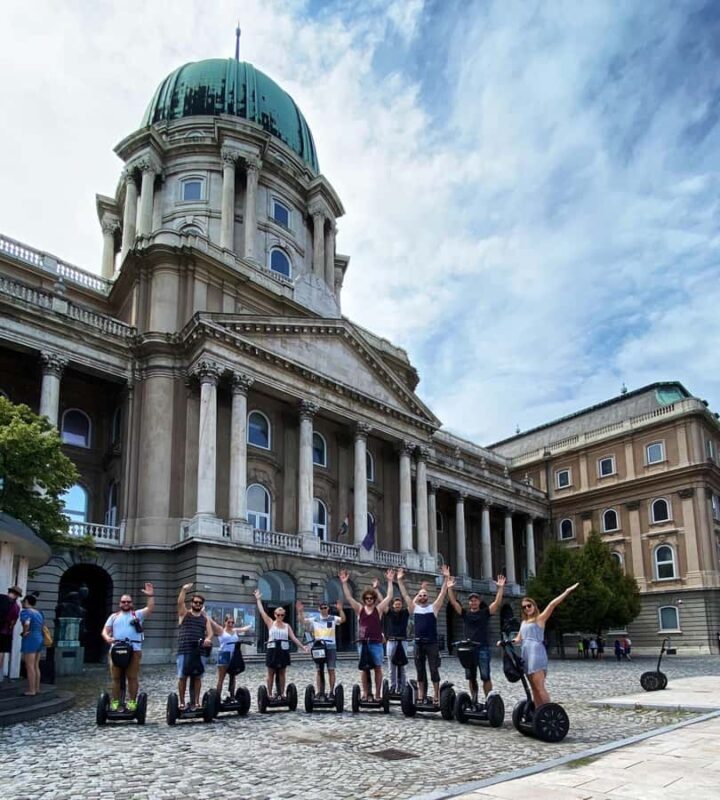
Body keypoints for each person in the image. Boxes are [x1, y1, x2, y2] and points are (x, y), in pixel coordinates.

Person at [513, 583, 579, 707]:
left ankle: (548, 711)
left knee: (539, 686)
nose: (527, 608)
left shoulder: (540, 619)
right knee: (533, 688)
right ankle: (539, 713)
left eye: (529, 605)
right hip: (526, 654)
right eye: (524, 607)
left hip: (537, 653)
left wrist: (567, 591)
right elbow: (518, 638)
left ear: (534, 605)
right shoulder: (523, 623)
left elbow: (552, 604)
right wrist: (506, 642)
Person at [397, 564, 454, 705]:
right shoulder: (414, 608)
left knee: (434, 669)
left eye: (425, 595)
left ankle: (436, 695)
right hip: (419, 643)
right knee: (420, 671)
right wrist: (399, 580)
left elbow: (442, 594)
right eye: (420, 595)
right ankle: (421, 694)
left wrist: (446, 578)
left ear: (427, 597)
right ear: (418, 597)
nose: (422, 597)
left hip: (432, 643)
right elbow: (404, 595)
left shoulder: (433, 608)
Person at [448, 574, 506, 702]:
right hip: (469, 650)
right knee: (471, 677)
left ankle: (489, 700)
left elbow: (496, 603)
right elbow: (453, 602)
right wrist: (450, 588)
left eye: (475, 600)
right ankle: (474, 700)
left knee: (485, 676)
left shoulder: (485, 613)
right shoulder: (465, 614)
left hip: (482, 648)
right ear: (469, 603)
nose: (473, 602)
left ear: (479, 602)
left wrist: (500, 588)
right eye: (471, 600)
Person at [339, 568, 394, 701]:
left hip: (376, 643)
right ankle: (365, 693)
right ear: (364, 599)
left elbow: (389, 597)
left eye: (371, 598)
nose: (369, 600)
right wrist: (344, 583)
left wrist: (390, 581)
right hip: (363, 643)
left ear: (374, 599)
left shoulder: (378, 609)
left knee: (378, 668)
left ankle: (377, 694)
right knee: (364, 669)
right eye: (367, 598)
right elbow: (349, 597)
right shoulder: (360, 609)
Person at [101, 582, 155, 711]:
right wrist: (107, 638)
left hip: (134, 650)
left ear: (132, 604)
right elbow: (105, 630)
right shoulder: (113, 617)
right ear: (120, 604)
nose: (126, 604)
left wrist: (150, 595)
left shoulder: (137, 615)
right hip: (116, 649)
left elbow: (150, 608)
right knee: (116, 678)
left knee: (132, 677)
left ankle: (131, 702)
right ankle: (115, 702)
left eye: (128, 602)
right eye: (123, 602)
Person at [254, 589, 308, 698]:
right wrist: (258, 599)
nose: (280, 616)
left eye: (282, 615)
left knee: (282, 673)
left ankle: (282, 693)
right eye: (278, 614)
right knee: (271, 673)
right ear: (274, 614)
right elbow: (262, 612)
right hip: (272, 650)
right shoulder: (270, 623)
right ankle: (269, 694)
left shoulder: (287, 626)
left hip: (283, 651)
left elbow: (293, 638)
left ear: (284, 615)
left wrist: (303, 647)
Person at [296, 598, 345, 696]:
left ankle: (331, 691)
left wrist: (340, 610)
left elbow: (343, 619)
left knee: (331, 669)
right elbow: (302, 621)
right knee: (319, 670)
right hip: (318, 647)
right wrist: (300, 611)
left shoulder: (333, 618)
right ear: (319, 609)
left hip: (330, 646)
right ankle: (319, 691)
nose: (323, 609)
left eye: (325, 607)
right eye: (321, 608)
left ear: (328, 608)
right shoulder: (315, 619)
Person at [176, 583, 214, 710]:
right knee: (183, 676)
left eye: (200, 603)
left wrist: (208, 639)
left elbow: (210, 633)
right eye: (195, 602)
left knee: (197, 676)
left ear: (202, 605)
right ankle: (181, 702)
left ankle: (196, 701)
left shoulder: (205, 619)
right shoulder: (184, 614)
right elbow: (180, 603)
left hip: (199, 651)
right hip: (184, 650)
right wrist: (183, 590)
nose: (197, 604)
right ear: (191, 603)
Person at [214, 615, 252, 700]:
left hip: (234, 655)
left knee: (233, 676)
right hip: (224, 654)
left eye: (232, 622)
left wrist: (250, 625)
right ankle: (217, 698)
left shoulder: (235, 631)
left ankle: (232, 696)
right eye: (229, 622)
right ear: (225, 622)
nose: (231, 624)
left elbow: (243, 629)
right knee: (221, 677)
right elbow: (213, 625)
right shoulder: (221, 631)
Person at [383, 592, 410, 695]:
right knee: (391, 666)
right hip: (391, 641)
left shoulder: (405, 613)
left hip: (403, 641)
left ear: (401, 605)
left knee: (403, 666)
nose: (397, 606)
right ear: (393, 605)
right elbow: (383, 603)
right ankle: (393, 686)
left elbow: (412, 605)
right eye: (396, 604)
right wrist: (376, 590)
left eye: (399, 604)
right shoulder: (389, 613)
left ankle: (403, 687)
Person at [19, 595, 44, 696]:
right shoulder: (39, 613)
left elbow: (26, 623)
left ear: (27, 601)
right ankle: (37, 688)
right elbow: (42, 625)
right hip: (39, 637)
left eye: (23, 601)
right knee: (36, 665)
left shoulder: (25, 612)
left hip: (30, 638)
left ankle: (31, 690)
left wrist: (25, 632)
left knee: (29, 666)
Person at [0, 586, 22, 683]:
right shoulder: (16, 607)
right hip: (5, 632)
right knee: (1, 653)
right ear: (17, 595)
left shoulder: (0, 598)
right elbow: (13, 622)